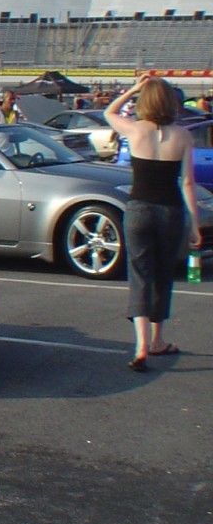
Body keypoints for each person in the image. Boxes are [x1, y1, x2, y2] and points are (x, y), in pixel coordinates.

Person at [105, 76, 202, 371]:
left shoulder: (135, 130)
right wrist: (195, 224)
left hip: (139, 209)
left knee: (140, 274)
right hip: (171, 211)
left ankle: (142, 345)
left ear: (144, 102)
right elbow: (187, 183)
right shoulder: (184, 136)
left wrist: (132, 90)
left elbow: (109, 113)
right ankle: (158, 339)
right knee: (163, 275)